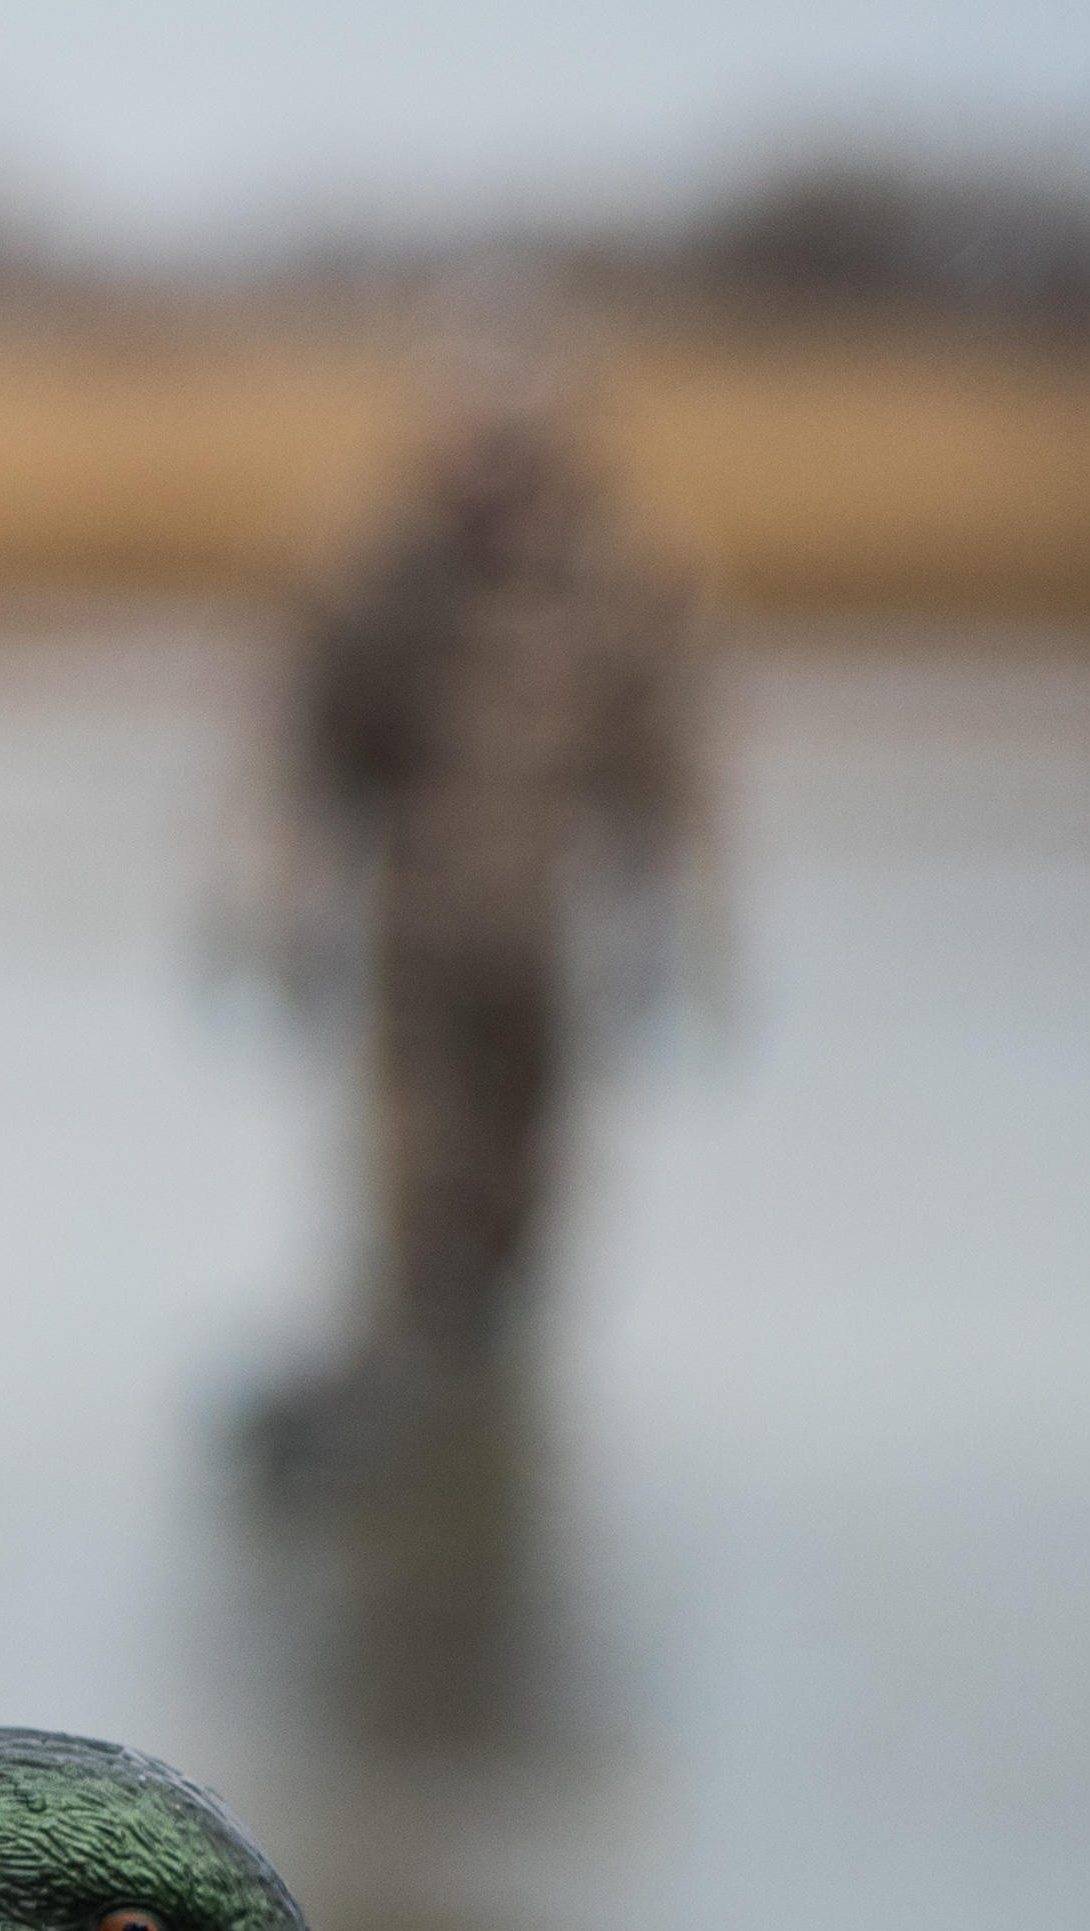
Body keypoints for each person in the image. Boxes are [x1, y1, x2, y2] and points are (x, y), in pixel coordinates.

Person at [245, 372, 714, 1476]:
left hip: (548, 931)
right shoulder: (383, 580)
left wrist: (679, 939)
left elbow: (670, 774)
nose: (491, 469)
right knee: (412, 1172)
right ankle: (406, 1394)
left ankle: (489, 1419)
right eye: (471, 443)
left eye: (513, 444)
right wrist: (287, 914)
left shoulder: (623, 583)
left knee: (531, 1183)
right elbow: (310, 756)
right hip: (415, 925)